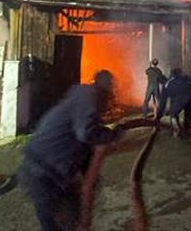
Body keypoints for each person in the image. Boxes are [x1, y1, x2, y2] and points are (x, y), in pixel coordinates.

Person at [20, 70, 125, 231]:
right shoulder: (87, 95)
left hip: (51, 174)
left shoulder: (81, 104)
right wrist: (111, 134)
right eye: (111, 87)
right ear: (105, 86)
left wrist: (91, 180)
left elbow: (83, 148)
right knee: (59, 224)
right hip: (42, 174)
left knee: (73, 218)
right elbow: (86, 134)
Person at [156, 68, 191, 137]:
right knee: (188, 111)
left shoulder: (166, 85)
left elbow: (162, 103)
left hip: (182, 98)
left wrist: (158, 116)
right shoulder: (185, 77)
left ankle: (177, 130)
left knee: (173, 113)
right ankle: (187, 127)